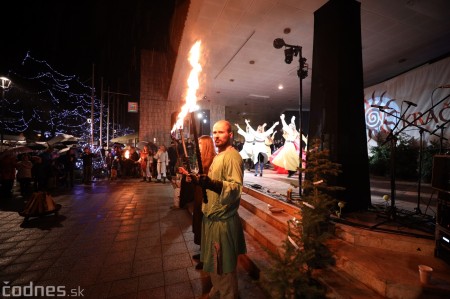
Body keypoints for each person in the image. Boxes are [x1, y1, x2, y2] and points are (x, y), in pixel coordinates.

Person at [190, 120, 246, 299]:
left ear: (230, 135)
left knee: (223, 267)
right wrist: (201, 180)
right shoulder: (219, 156)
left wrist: (212, 184)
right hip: (212, 220)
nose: (216, 136)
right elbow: (213, 182)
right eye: (214, 132)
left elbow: (235, 188)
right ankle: (217, 291)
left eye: (221, 132)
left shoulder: (232, 156)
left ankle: (228, 295)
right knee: (215, 265)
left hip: (222, 222)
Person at [180, 135, 217, 270]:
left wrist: (196, 179)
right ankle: (203, 253)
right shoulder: (202, 159)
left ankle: (208, 258)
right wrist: (190, 177)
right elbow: (199, 178)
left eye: (200, 144)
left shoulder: (213, 161)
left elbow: (208, 180)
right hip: (199, 195)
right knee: (199, 224)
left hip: (206, 197)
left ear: (207, 145)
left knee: (205, 227)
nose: (198, 146)